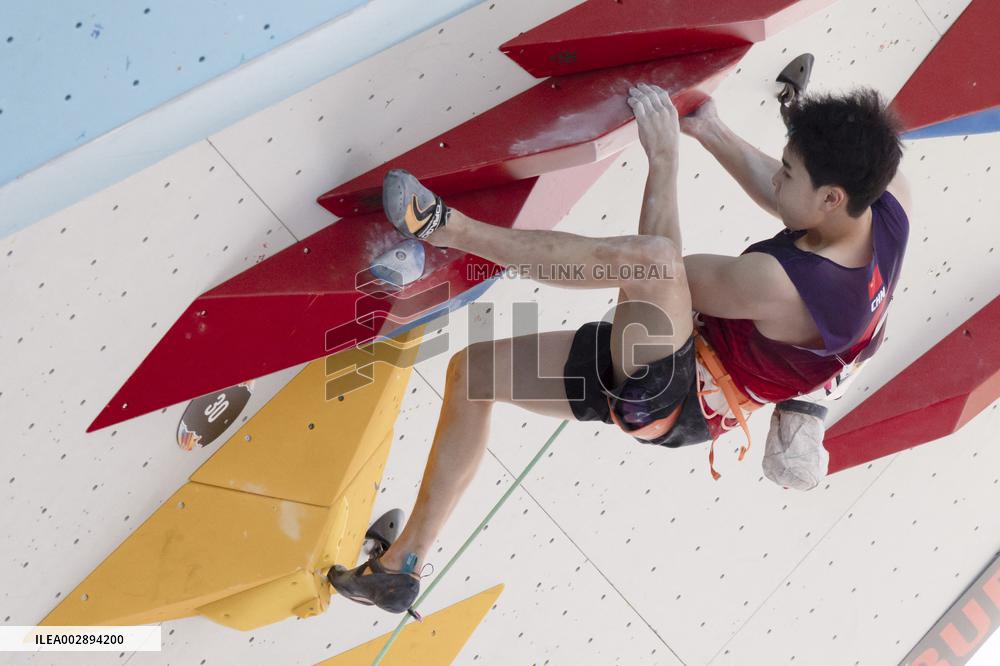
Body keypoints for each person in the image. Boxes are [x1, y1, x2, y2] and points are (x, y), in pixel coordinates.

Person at [327, 82, 910, 618]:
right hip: (679, 359)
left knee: (648, 259)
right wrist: (711, 130)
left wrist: (664, 158)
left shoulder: (784, 288)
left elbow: (659, 272)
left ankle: (443, 228)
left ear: (834, 197)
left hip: (669, 400)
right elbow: (783, 200)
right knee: (474, 374)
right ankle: (401, 565)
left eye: (789, 171)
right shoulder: (886, 208)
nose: (778, 178)